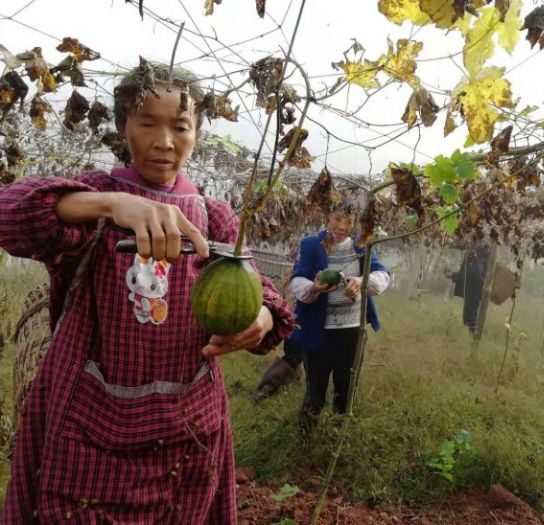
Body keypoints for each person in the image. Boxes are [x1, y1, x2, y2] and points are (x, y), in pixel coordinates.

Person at [0, 63, 293, 523]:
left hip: (187, 430)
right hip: (91, 428)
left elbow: (265, 294)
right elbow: (11, 214)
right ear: (123, 127)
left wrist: (263, 319)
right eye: (146, 123)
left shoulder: (213, 217)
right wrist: (112, 203)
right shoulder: (95, 195)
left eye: (180, 126)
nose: (164, 142)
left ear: (197, 133)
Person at [289, 201, 390, 427]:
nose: (342, 226)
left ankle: (336, 437)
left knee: (345, 389)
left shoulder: (361, 246)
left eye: (348, 222)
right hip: (319, 332)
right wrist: (314, 287)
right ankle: (306, 437)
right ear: (328, 217)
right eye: (337, 219)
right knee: (315, 389)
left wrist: (361, 282)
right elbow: (297, 280)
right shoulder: (311, 244)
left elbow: (382, 275)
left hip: (352, 332)